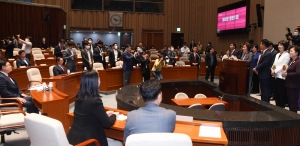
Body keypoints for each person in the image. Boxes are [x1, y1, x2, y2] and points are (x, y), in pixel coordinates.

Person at [67, 70, 122, 146]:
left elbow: (88, 115)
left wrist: (104, 114)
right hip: (89, 141)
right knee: (119, 144)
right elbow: (107, 123)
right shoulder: (95, 101)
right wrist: (114, 115)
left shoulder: (79, 97)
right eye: (98, 79)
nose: (100, 81)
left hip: (73, 138)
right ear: (94, 83)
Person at [271, 40, 290, 108]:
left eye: (281, 45)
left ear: (284, 46)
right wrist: (272, 70)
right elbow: (274, 64)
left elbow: (284, 66)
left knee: (281, 93)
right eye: (279, 45)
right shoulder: (277, 54)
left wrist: (275, 72)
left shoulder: (287, 55)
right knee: (276, 93)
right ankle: (277, 107)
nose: (279, 46)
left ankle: (281, 107)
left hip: (281, 76)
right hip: (275, 76)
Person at [283, 45, 300, 112]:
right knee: (290, 101)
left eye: (291, 51)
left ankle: (294, 117)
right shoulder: (291, 61)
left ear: (296, 53)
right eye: (289, 51)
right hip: (289, 84)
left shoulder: (298, 62)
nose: (290, 52)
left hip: (294, 85)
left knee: (293, 102)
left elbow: (298, 73)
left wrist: (287, 74)